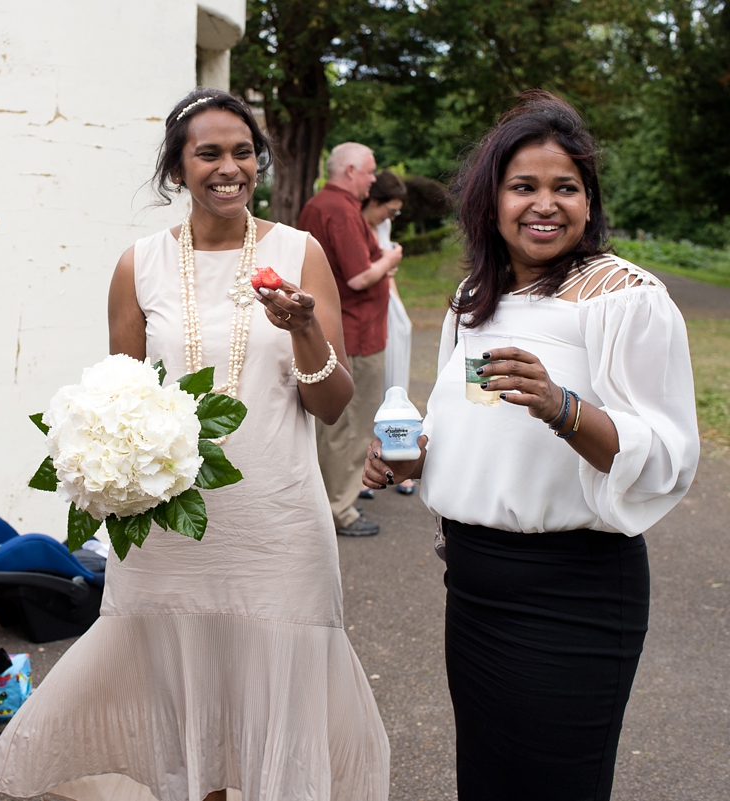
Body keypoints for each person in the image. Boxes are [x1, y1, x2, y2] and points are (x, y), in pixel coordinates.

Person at [0, 88, 389, 801]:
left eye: (241, 152)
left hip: (279, 527)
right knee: (179, 720)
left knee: (272, 715)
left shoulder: (300, 252)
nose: (228, 167)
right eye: (208, 153)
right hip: (170, 537)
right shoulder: (138, 265)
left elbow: (332, 402)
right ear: (177, 169)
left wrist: (305, 328)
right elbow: (120, 398)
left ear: (257, 163)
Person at [364, 91, 699, 801]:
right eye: (524, 187)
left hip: (572, 593)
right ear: (492, 200)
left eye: (565, 187)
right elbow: (472, 435)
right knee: (487, 781)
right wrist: (412, 460)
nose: (544, 204)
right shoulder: (472, 300)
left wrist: (563, 407)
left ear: (589, 200)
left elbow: (668, 454)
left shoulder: (623, 297)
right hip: (476, 586)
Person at [298, 143, 403, 536]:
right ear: (351, 170)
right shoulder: (340, 210)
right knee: (348, 426)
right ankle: (340, 510)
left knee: (333, 429)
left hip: (339, 329)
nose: (374, 179)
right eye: (371, 171)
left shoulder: (319, 204)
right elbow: (359, 277)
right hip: (354, 333)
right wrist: (390, 259)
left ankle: (331, 503)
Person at [359, 171, 415, 496]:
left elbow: (387, 275)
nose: (391, 217)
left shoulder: (383, 226)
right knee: (367, 390)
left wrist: (398, 312)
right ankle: (363, 468)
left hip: (386, 305)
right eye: (390, 210)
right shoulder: (352, 223)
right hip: (362, 313)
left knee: (395, 386)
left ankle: (399, 462)